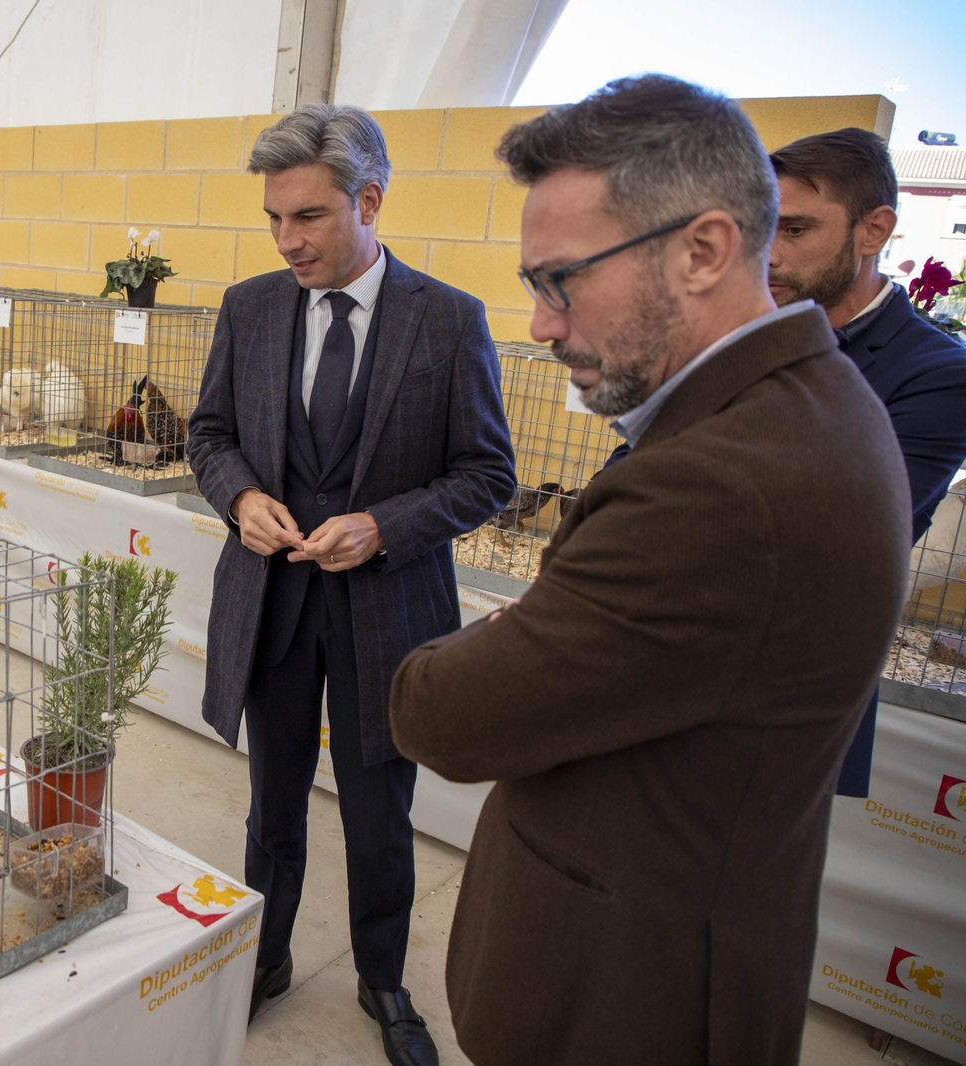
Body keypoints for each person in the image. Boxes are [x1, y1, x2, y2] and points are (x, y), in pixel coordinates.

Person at [388, 75, 912, 1066]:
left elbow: (439, 714)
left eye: (561, 280)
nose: (541, 325)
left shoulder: (716, 484)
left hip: (627, 1002)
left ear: (702, 250)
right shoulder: (809, 401)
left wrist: (508, 632)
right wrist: (540, 623)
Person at [186, 103, 514, 1066]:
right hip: (275, 609)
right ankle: (266, 957)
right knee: (272, 808)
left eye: (309, 217)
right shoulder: (249, 308)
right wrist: (241, 496)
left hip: (389, 616)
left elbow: (487, 474)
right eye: (274, 219)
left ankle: (383, 980)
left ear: (369, 202)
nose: (287, 240)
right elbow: (210, 435)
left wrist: (384, 526)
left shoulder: (448, 320)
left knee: (379, 817)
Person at [768, 128, 966, 796]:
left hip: (787, 702)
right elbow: (624, 475)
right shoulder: (734, 336)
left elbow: (838, 543)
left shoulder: (938, 374)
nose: (768, 253)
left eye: (796, 230)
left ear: (873, 230)